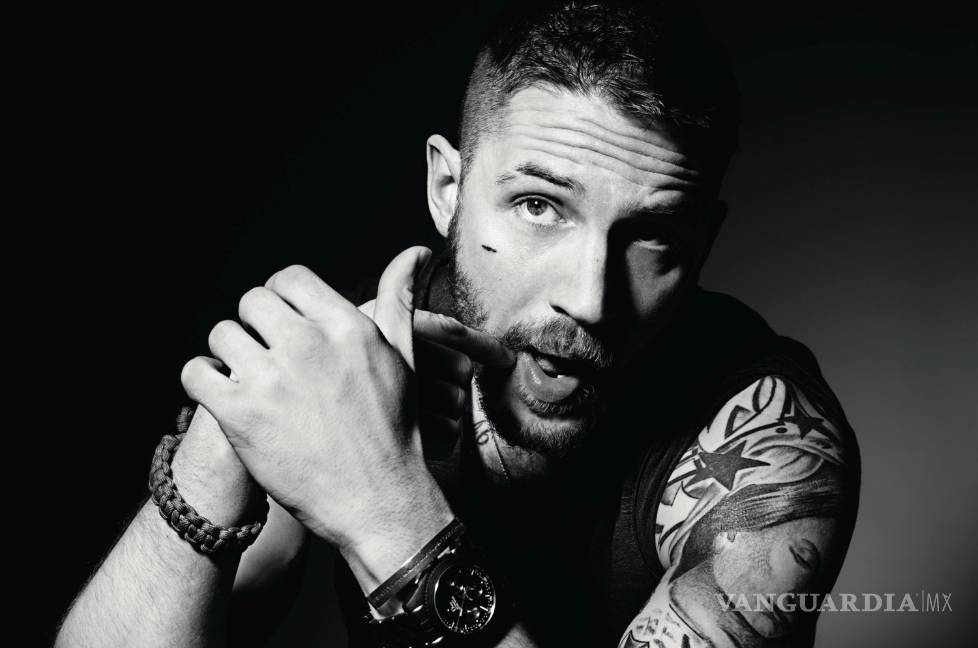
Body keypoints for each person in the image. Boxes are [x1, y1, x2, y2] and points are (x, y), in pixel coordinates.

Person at [55, 1, 860, 647]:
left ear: (704, 242)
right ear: (448, 189)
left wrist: (385, 508)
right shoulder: (369, 353)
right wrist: (219, 448)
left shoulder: (769, 452)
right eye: (540, 206)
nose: (589, 299)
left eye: (652, 237)